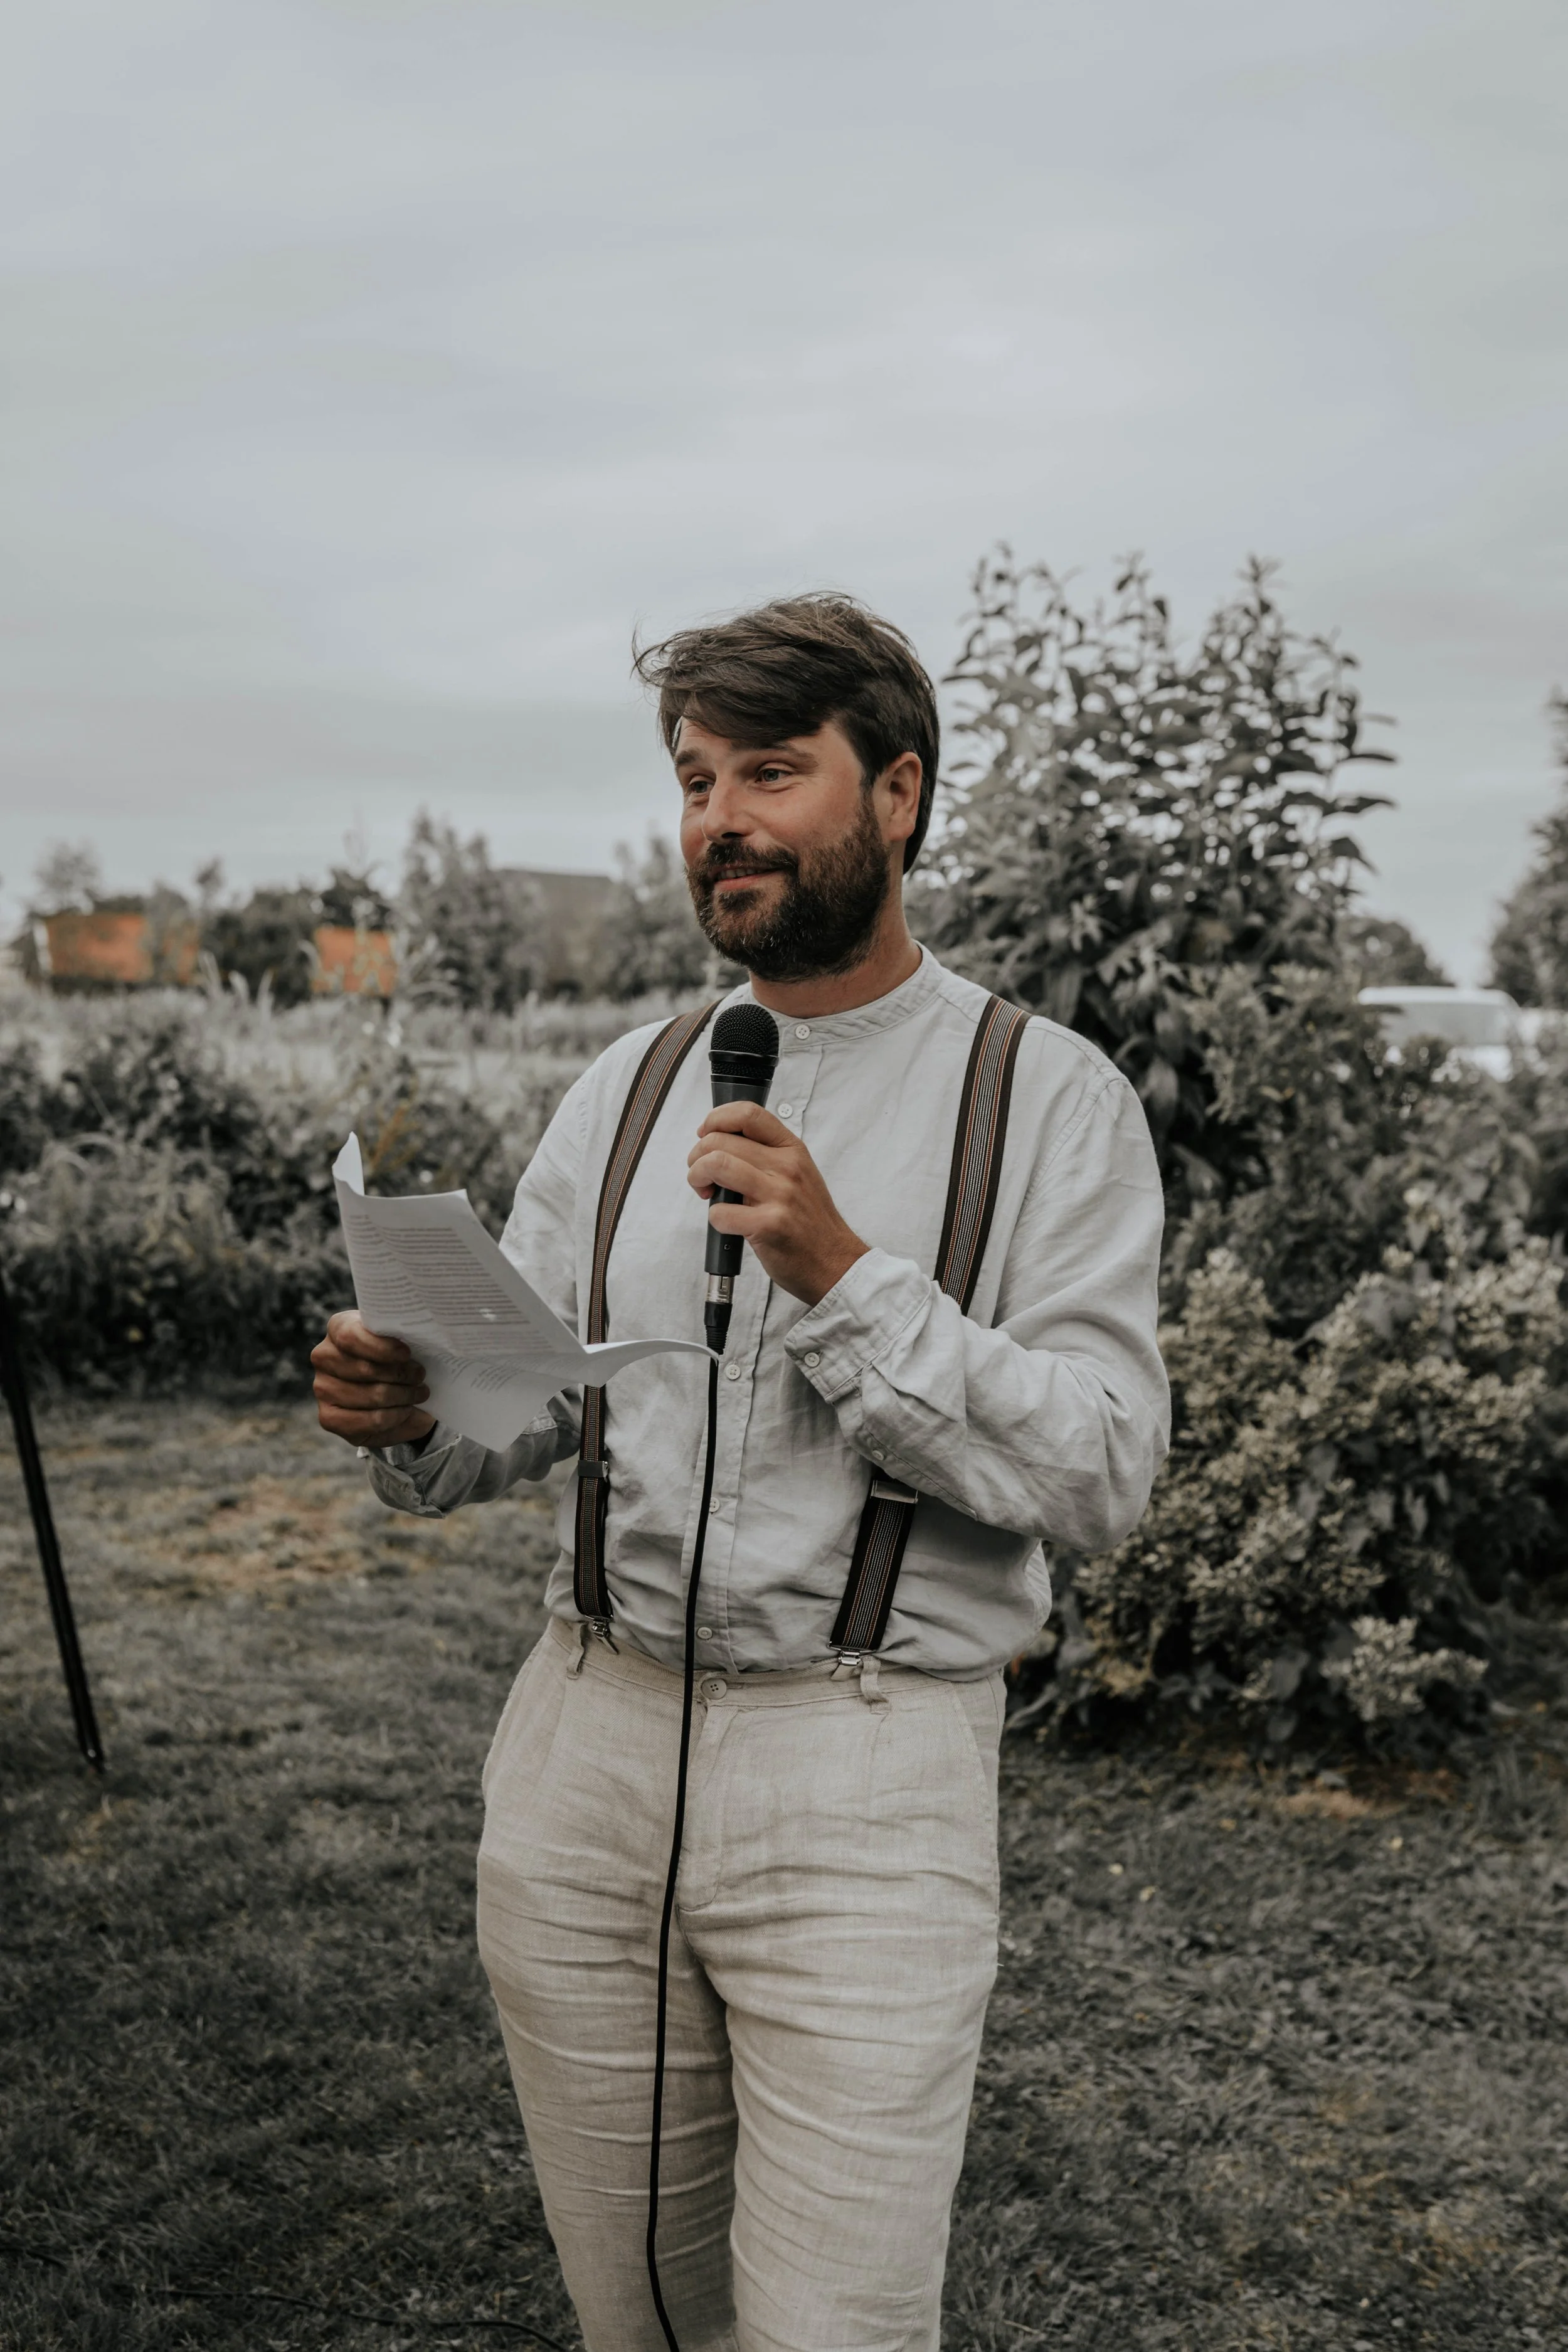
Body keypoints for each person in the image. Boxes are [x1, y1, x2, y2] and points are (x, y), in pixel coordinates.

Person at [311, 595, 1170, 2352]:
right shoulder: (625, 1089)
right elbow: (533, 1401)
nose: (719, 820)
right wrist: (417, 1410)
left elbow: (1101, 1466)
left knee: (834, 2325)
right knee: (635, 2312)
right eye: (696, 781)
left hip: (866, 1777)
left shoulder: (1049, 1097)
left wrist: (845, 1277)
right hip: (582, 1755)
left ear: (898, 793)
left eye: (770, 771)